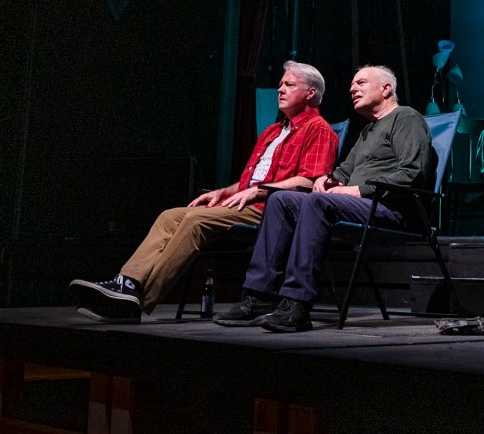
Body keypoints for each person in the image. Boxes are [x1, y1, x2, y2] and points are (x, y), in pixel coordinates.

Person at [68, 61, 339, 323]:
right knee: (170, 215)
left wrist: (259, 192)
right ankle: (127, 282)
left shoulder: (319, 130)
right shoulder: (272, 131)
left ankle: (139, 299)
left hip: (270, 212)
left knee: (194, 220)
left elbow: (311, 181)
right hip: (241, 204)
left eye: (289, 85)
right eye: (280, 84)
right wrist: (222, 192)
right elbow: (250, 181)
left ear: (310, 92)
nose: (280, 89)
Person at [214, 64, 434, 333]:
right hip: (361, 207)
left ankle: (297, 303)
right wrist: (326, 179)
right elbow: (343, 172)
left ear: (386, 89)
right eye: (352, 84)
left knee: (316, 202)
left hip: (393, 210)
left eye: (361, 82)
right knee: (281, 198)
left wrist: (356, 190)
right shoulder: (368, 131)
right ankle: (259, 296)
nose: (353, 88)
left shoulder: (406, 118)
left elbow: (412, 174)